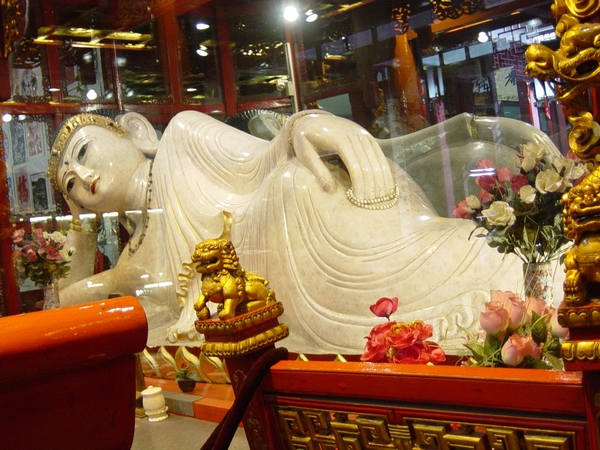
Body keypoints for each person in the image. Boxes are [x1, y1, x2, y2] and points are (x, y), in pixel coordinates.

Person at [49, 109, 546, 354]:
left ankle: (513, 275)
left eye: (85, 153)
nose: (86, 178)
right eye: (72, 185)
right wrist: (83, 240)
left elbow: (263, 155)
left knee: (290, 181)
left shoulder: (181, 137)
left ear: (132, 133)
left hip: (297, 213)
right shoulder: (138, 248)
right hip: (272, 293)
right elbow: (81, 296)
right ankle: (508, 298)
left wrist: (310, 121)